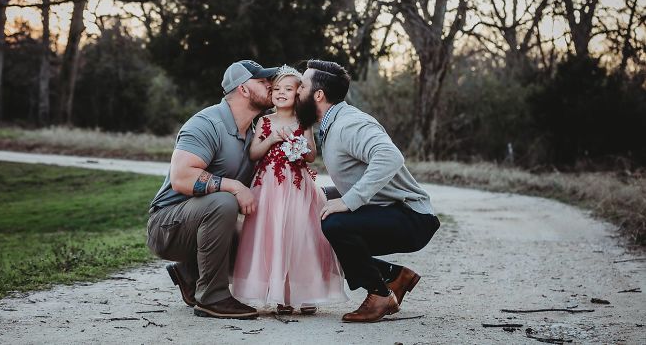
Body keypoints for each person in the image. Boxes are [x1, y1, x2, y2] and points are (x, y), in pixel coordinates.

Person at [295, 59, 440, 323]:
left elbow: (389, 156)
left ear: (318, 94)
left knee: (336, 224)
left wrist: (349, 201)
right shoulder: (331, 123)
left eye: (301, 86)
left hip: (412, 216)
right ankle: (394, 276)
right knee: (317, 205)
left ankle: (379, 295)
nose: (295, 91)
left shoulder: (349, 123)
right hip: (390, 210)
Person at [146, 59, 277, 319]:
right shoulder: (206, 123)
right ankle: (212, 297)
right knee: (224, 201)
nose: (270, 86)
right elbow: (182, 178)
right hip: (167, 226)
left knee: (265, 240)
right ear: (243, 89)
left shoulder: (253, 135)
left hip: (202, 223)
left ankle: (190, 272)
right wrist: (234, 186)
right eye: (262, 82)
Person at [232, 66, 348, 315]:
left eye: (288, 89)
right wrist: (272, 139)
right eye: (276, 89)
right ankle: (281, 295)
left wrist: (298, 145)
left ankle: (306, 294)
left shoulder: (302, 121)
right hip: (269, 188)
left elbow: (311, 155)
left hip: (297, 188)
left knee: (300, 237)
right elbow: (253, 153)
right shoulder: (264, 121)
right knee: (273, 238)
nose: (280, 93)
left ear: (298, 94)